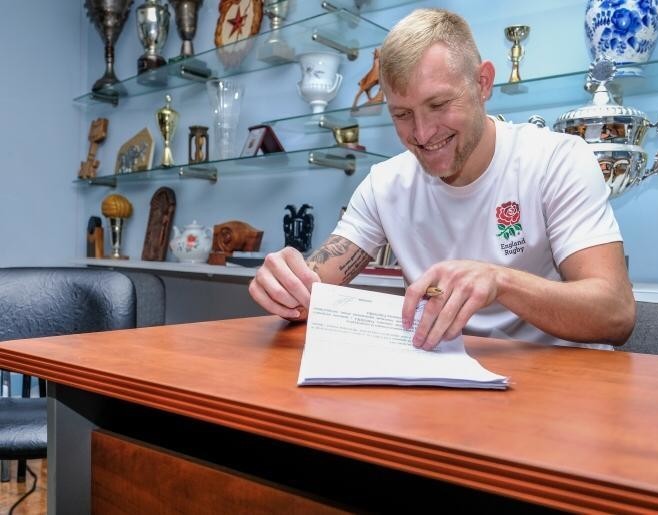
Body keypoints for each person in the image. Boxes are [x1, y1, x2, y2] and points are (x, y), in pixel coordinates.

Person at [249, 8, 635, 351]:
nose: (422, 133)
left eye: (438, 105)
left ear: (483, 83)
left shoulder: (557, 160)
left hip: (558, 386)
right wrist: (286, 283)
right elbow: (313, 288)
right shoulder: (385, 184)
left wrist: (500, 282)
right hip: (442, 380)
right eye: (402, 115)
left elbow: (615, 315)